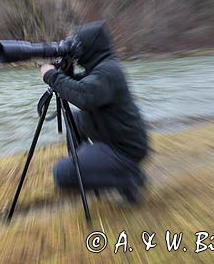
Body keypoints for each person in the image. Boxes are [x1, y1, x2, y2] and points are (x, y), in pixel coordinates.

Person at [40, 21, 148, 203]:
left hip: (124, 150)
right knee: (73, 118)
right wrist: (64, 70)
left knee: (61, 174)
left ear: (90, 48)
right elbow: (79, 85)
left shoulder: (108, 72)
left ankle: (130, 177)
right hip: (109, 137)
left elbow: (84, 96)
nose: (75, 50)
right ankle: (87, 167)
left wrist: (51, 76)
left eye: (77, 45)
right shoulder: (100, 68)